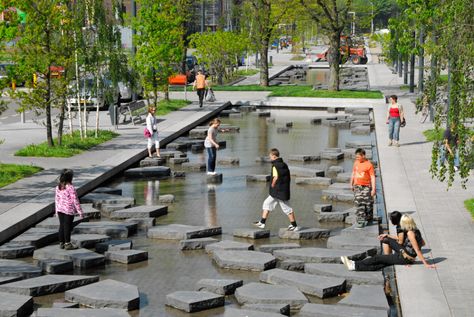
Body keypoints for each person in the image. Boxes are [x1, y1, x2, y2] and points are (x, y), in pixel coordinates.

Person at [341, 214, 435, 271]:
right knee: (387, 240)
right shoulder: (415, 229)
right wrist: (388, 236)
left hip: (404, 257)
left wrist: (425, 263)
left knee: (378, 259)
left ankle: (354, 265)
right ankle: (355, 264)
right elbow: (423, 243)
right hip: (404, 252)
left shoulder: (410, 233)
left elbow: (418, 249)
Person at [254, 148, 299, 231]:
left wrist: (272, 184)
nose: (270, 158)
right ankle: (262, 223)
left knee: (287, 208)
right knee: (267, 203)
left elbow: (276, 177)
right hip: (281, 190)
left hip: (278, 191)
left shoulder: (275, 166)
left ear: (274, 156)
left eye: (270, 156)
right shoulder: (284, 164)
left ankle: (295, 226)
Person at [55, 169, 84, 250]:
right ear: (70, 178)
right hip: (69, 210)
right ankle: (67, 244)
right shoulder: (71, 188)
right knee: (67, 227)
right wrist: (80, 212)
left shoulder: (58, 187)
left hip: (60, 209)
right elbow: (75, 200)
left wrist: (56, 210)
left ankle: (61, 243)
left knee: (62, 226)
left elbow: (56, 199)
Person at [350, 148, 376, 228]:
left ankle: (369, 217)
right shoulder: (356, 163)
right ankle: (360, 220)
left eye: (358, 157)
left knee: (367, 204)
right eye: (356, 157)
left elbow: (372, 177)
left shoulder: (369, 165)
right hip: (357, 186)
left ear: (363, 156)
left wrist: (373, 189)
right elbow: (353, 173)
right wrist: (351, 183)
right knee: (358, 202)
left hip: (366, 187)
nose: (357, 158)